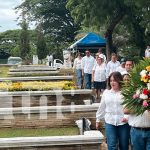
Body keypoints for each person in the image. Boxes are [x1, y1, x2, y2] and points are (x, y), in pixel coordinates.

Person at [96, 72, 130, 150]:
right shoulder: (106, 93)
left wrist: (126, 117)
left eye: (115, 80)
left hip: (123, 123)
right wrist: (98, 119)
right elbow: (102, 107)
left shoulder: (126, 92)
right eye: (111, 80)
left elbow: (129, 107)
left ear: (119, 81)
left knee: (124, 146)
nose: (112, 82)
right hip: (110, 122)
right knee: (111, 145)